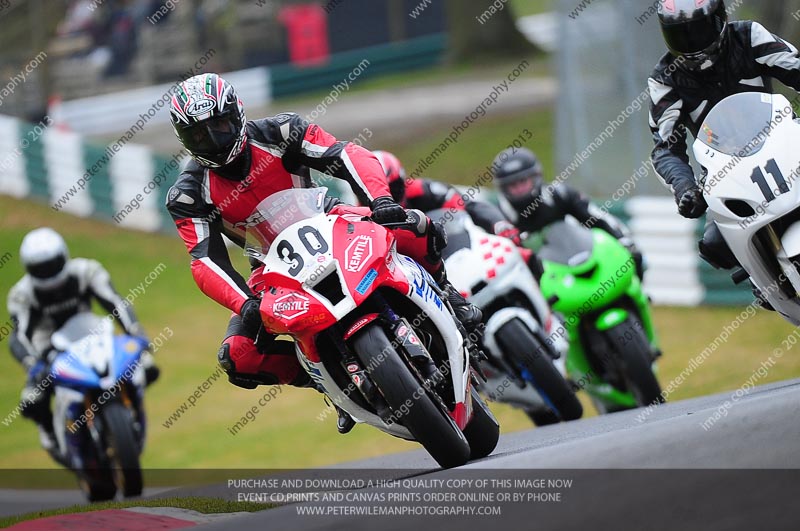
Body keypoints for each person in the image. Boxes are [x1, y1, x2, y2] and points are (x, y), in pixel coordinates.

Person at [165, 73, 482, 434]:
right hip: (270, 266)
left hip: (331, 220)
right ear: (184, 140)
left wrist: (380, 200)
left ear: (237, 114)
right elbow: (205, 259)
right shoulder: (188, 194)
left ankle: (449, 295)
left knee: (416, 225)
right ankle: (330, 384)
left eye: (218, 127)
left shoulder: (281, 132)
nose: (212, 141)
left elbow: (347, 153)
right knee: (238, 356)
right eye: (198, 135)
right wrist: (244, 304)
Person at [649, 0, 800, 279]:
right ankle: (762, 279)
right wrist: (685, 188)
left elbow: (796, 68)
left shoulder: (749, 36)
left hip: (785, 147)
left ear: (720, 19)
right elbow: (665, 148)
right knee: (714, 246)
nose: (692, 42)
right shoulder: (664, 79)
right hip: (727, 175)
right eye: (681, 34)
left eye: (699, 30)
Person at [6, 228, 158, 465]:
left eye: (52, 264)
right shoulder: (21, 295)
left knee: (146, 367)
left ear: (64, 256)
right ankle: (48, 431)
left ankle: (131, 409)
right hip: (48, 348)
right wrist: (33, 364)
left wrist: (137, 333)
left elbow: (115, 302)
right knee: (32, 399)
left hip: (90, 333)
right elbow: (20, 336)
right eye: (40, 268)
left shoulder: (87, 271)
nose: (48, 274)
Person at [373, 150, 543, 276]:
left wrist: (499, 225)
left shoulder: (426, 191)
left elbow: (470, 207)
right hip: (412, 277)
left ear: (402, 181)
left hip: (458, 257)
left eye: (392, 188)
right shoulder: (360, 218)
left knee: (526, 258)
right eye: (373, 194)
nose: (386, 199)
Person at [490, 147, 643, 276]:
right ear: (503, 188)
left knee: (635, 257)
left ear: (535, 177)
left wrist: (622, 240)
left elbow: (598, 218)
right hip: (544, 280)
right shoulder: (499, 220)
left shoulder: (561, 195)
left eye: (523, 181)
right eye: (513, 185)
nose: (520, 189)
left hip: (579, 262)